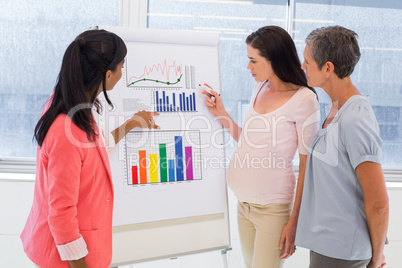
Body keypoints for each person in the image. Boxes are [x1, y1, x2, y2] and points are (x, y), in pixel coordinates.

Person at [20, 29, 159, 268]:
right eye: (121, 67)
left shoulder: (74, 105)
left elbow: (91, 151)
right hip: (63, 259)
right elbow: (61, 214)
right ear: (107, 74)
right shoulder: (66, 128)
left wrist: (129, 125)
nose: (122, 73)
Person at [202, 25, 320, 268]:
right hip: (242, 205)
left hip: (272, 211)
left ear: (274, 58)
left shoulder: (305, 100)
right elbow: (250, 140)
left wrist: (294, 220)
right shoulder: (259, 87)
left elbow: (308, 165)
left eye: (253, 61)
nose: (249, 67)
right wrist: (222, 115)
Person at [295, 26, 389, 268]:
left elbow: (379, 203)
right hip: (327, 245)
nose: (302, 66)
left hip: (343, 251)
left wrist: (377, 258)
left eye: (307, 61)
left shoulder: (355, 118)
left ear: (328, 68)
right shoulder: (336, 109)